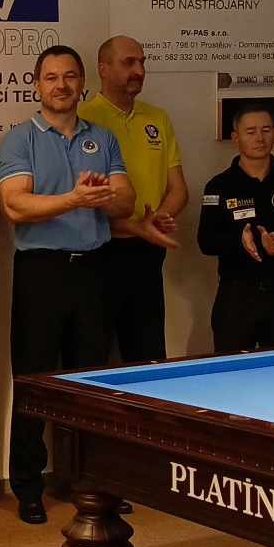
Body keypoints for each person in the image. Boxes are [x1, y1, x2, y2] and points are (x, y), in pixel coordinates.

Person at [0, 45, 132, 525]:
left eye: (69, 76)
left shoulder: (103, 138)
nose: (61, 85)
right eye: (51, 77)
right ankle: (28, 486)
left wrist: (97, 197)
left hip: (94, 271)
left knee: (89, 384)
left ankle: (88, 481)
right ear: (37, 85)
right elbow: (15, 206)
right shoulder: (20, 139)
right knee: (35, 383)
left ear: (82, 84)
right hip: (42, 272)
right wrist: (76, 198)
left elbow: (124, 202)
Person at [81, 34, 184, 363]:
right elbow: (79, 198)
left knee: (148, 354)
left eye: (141, 62)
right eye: (129, 62)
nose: (138, 70)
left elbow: (179, 188)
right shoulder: (83, 118)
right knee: (94, 356)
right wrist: (135, 225)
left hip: (148, 252)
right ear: (103, 68)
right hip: (99, 251)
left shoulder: (157, 118)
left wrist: (156, 220)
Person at [196, 104, 274, 353]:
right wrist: (240, 241)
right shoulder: (218, 185)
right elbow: (206, 241)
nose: (259, 138)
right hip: (237, 295)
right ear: (235, 137)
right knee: (232, 367)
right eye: (250, 132)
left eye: (266, 130)